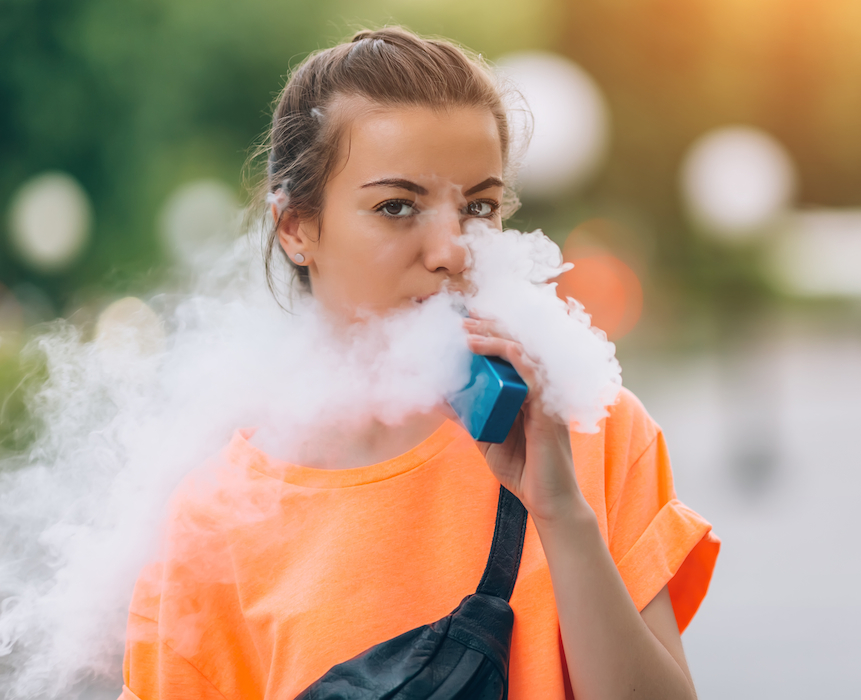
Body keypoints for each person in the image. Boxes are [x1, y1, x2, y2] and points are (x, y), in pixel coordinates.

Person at [118, 27, 719, 700]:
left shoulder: (591, 430)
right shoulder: (216, 521)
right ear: (295, 228)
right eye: (397, 207)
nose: (452, 251)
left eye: (478, 207)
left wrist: (563, 516)